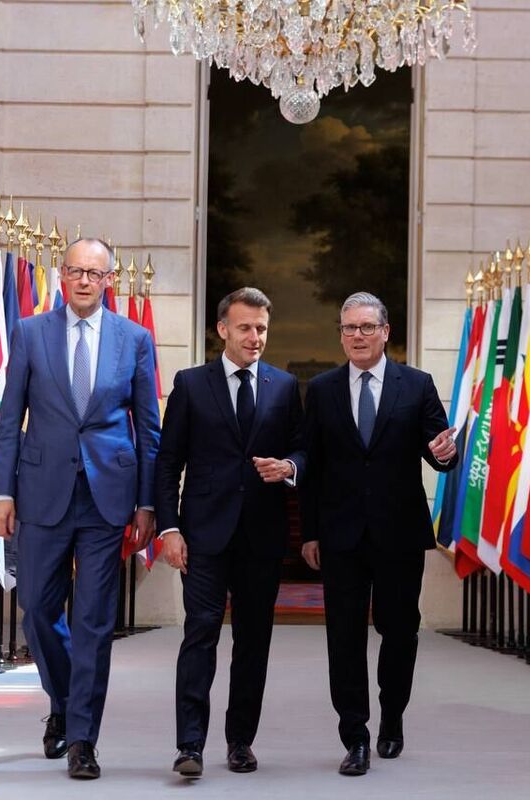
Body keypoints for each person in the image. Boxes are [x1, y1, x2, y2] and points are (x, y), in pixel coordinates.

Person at [0, 238, 160, 780]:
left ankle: (83, 738)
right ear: (62, 276)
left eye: (94, 273)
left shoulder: (134, 339)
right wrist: (1, 492)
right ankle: (63, 703)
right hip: (41, 493)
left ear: (109, 280)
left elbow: (148, 428)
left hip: (108, 496)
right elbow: (9, 418)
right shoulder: (29, 332)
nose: (84, 280)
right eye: (75, 271)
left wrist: (148, 502)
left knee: (93, 621)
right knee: (38, 610)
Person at [299, 292, 457, 776]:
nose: (357, 336)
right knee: (343, 637)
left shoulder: (417, 384)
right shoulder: (322, 389)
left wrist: (445, 453)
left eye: (367, 327)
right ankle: (356, 736)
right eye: (349, 328)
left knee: (400, 631)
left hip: (399, 533)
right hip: (340, 536)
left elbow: (438, 451)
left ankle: (392, 716)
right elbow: (312, 465)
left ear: (386, 332)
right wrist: (310, 532)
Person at [155, 287, 305, 778]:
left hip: (262, 536)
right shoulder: (191, 384)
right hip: (202, 536)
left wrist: (289, 466)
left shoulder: (284, 386)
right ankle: (190, 745)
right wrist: (170, 528)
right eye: (245, 327)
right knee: (199, 634)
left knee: (253, 641)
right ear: (223, 329)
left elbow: (303, 449)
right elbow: (168, 462)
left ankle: (241, 741)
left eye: (261, 328)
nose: (255, 336)